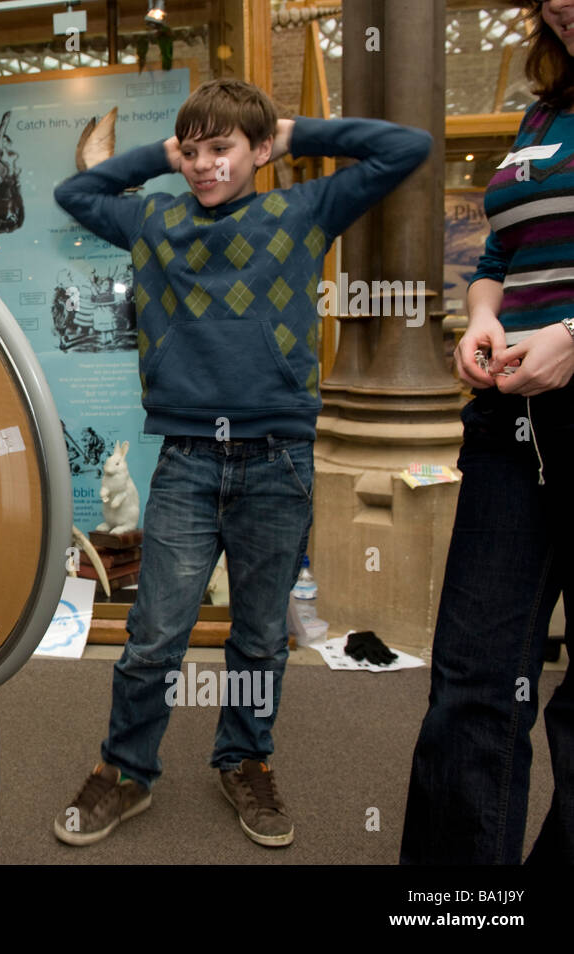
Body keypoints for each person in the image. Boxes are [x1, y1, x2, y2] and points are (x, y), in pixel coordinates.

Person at [52, 78, 430, 848]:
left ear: (259, 151)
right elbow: (76, 189)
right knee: (155, 634)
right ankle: (126, 772)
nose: (201, 165)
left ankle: (244, 759)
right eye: (189, 151)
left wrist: (294, 135)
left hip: (278, 463)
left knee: (259, 638)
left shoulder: (302, 210)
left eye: (219, 149)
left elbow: (406, 148)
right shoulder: (154, 218)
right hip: (189, 462)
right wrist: (161, 154)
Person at [401, 0, 574, 865]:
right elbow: (501, 260)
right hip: (514, 425)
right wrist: (481, 315)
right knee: (472, 684)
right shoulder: (541, 112)